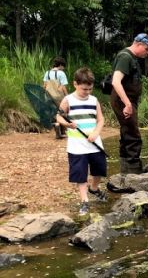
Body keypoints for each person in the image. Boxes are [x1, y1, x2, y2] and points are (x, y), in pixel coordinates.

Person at [56, 67, 107, 216]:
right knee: (80, 174)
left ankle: (95, 189)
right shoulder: (68, 99)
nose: (87, 92)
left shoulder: (94, 100)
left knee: (99, 170)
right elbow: (58, 117)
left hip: (94, 143)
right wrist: (67, 124)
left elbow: (101, 119)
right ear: (75, 84)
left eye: (90, 89)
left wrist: (96, 133)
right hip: (77, 146)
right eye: (84, 89)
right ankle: (85, 201)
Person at [111, 33, 148, 174]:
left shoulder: (132, 58)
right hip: (123, 100)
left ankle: (125, 170)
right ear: (138, 44)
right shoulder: (125, 57)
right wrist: (127, 104)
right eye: (147, 49)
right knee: (133, 135)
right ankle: (133, 172)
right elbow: (115, 81)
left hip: (127, 100)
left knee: (127, 132)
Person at [43, 56, 69, 139]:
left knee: (53, 112)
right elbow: (63, 87)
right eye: (63, 66)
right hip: (58, 96)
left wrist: (45, 94)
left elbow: (44, 85)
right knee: (62, 112)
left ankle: (57, 126)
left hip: (49, 95)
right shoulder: (61, 73)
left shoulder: (47, 73)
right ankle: (62, 131)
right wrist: (67, 96)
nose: (63, 68)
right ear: (60, 65)